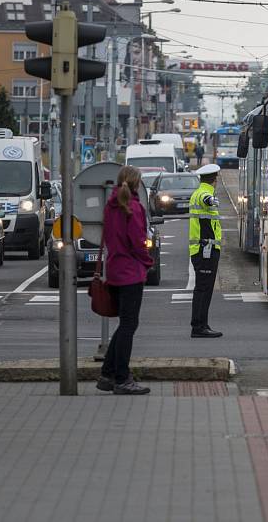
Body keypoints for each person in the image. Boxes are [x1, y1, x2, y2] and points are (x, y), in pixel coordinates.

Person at [96, 165, 154, 395]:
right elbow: (138, 241)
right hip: (131, 272)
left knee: (125, 324)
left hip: (115, 270)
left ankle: (107, 374)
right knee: (129, 325)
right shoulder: (134, 208)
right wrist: (147, 263)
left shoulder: (110, 207)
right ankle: (122, 377)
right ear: (136, 184)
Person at [189, 163, 223, 338]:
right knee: (203, 288)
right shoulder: (204, 193)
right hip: (205, 249)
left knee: (204, 288)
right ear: (214, 179)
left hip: (204, 249)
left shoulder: (200, 192)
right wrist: (211, 200)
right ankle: (198, 327)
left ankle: (202, 324)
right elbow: (205, 199)